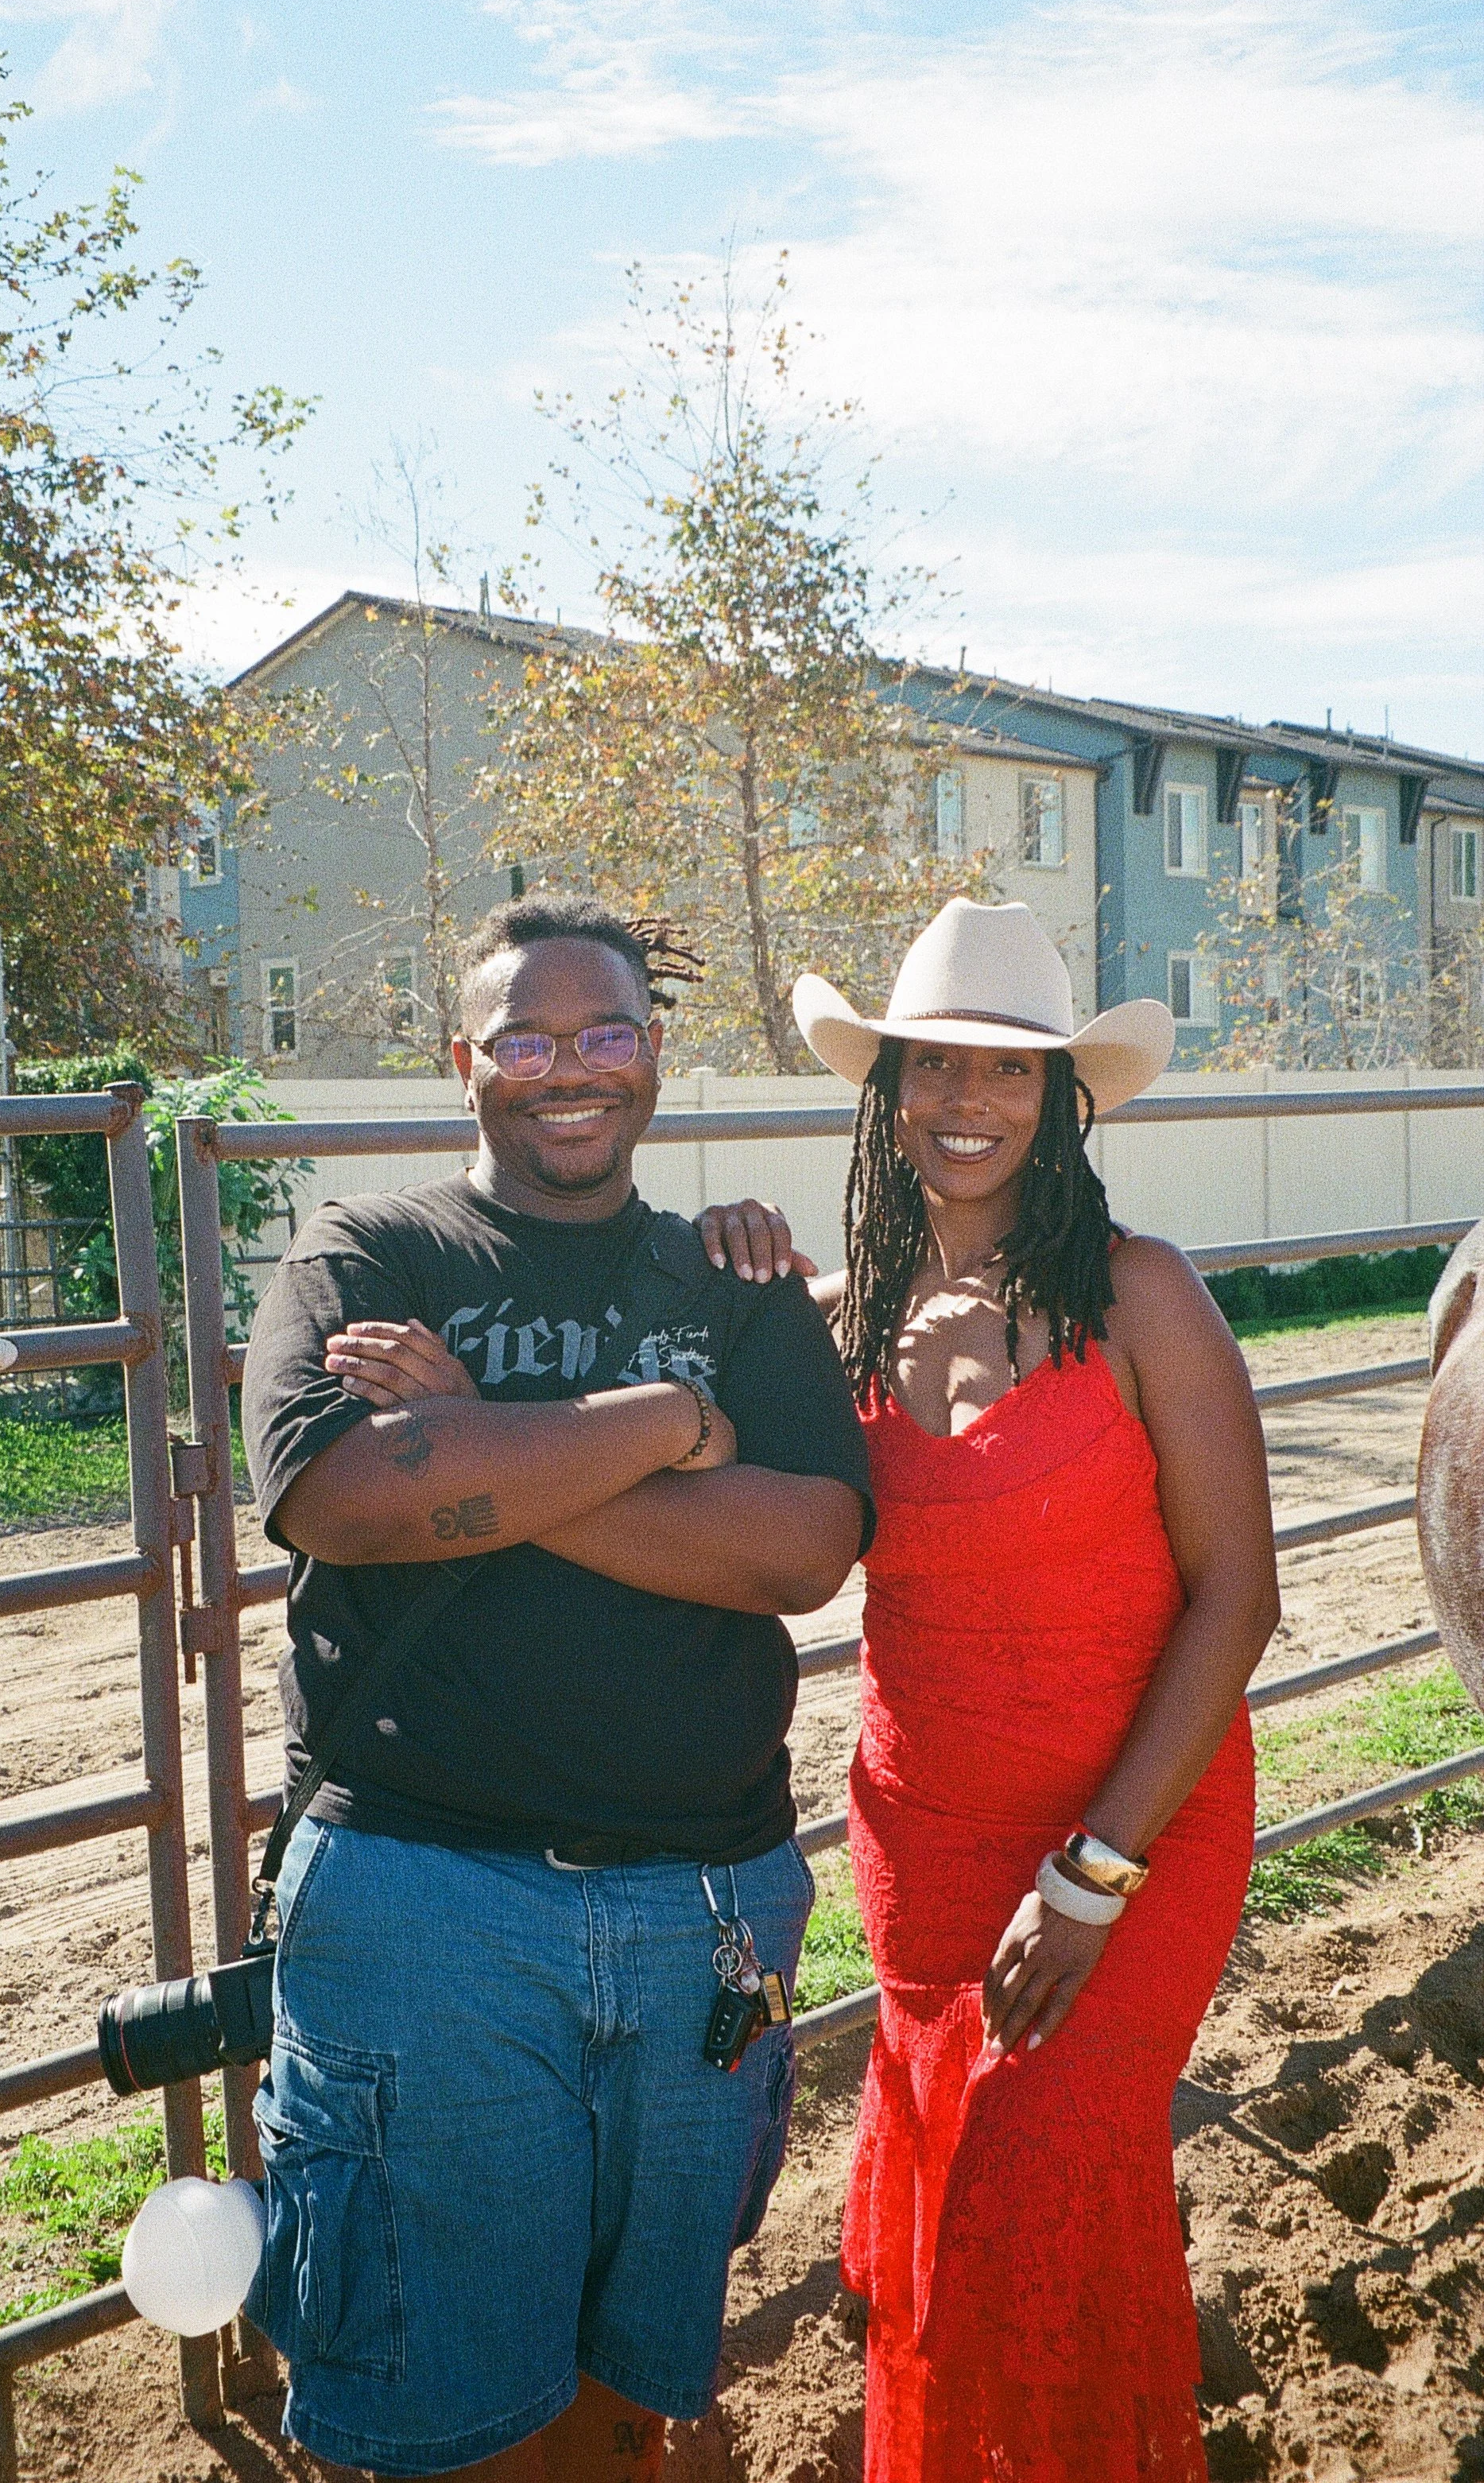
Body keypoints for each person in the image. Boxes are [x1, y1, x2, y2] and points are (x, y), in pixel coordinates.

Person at [238, 893, 873, 2482]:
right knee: (442, 2423)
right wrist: (668, 1421)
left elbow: (802, 1547)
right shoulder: (367, 1250)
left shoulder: (735, 1270)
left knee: (625, 2398)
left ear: (653, 1055)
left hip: (701, 1917)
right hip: (422, 1905)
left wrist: (493, 1432)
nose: (564, 1067)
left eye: (602, 1033)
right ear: (463, 1060)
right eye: (524, 1036)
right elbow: (342, 1495)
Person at [699, 898, 1280, 2482]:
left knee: (1039, 2184)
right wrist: (719, 1271)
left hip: (1134, 1825)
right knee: (943, 2212)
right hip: (926, 1836)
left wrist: (1095, 1869)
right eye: (929, 1067)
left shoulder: (1142, 1295)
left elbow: (1238, 1596)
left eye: (1007, 1071)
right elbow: (711, 1481)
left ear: (1059, 1101)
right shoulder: (831, 1330)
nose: (966, 1099)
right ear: (882, 1090)